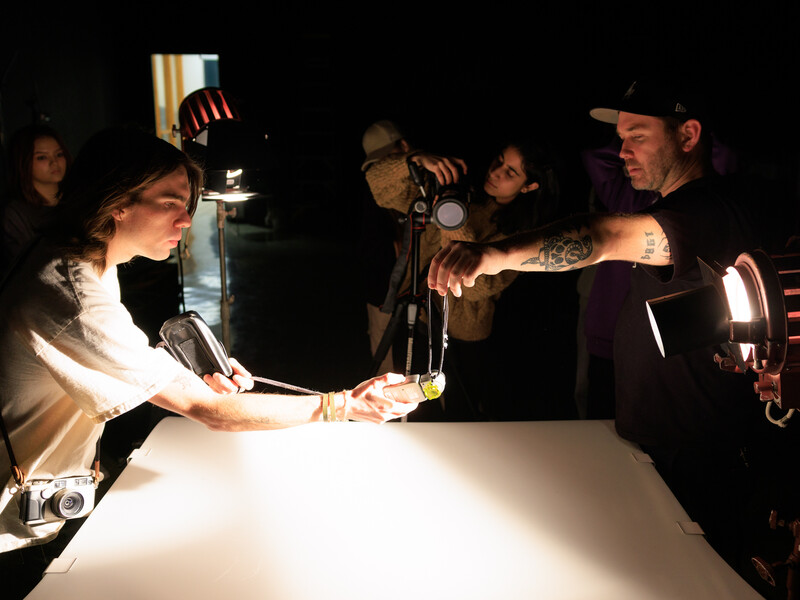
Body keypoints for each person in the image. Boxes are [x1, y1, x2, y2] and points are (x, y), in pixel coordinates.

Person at [0, 126, 417, 594]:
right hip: (15, 529)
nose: (185, 220)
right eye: (170, 203)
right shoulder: (72, 293)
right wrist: (345, 404)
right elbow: (209, 411)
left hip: (53, 491)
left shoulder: (84, 258)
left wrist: (186, 374)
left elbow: (98, 354)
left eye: (189, 204)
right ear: (117, 201)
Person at [427, 76, 798, 587]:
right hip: (662, 450)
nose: (622, 150)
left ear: (689, 136)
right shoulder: (680, 205)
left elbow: (602, 236)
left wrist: (491, 254)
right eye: (620, 136)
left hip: (698, 464)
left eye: (638, 136)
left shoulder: (707, 212)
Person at [366, 132, 568, 420]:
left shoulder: (521, 235)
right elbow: (379, 187)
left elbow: (474, 286)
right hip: (419, 318)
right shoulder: (463, 192)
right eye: (499, 161)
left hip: (463, 339)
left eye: (510, 172)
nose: (496, 172)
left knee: (462, 418)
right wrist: (414, 159)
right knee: (414, 409)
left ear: (529, 186)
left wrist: (451, 217)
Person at [1, 123, 72, 274]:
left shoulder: (76, 200)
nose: (54, 162)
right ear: (24, 162)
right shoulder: (16, 213)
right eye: (42, 157)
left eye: (59, 154)